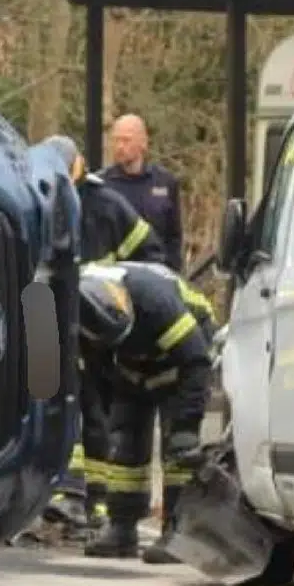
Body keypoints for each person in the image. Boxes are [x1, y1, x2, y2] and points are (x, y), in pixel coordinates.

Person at [39, 136, 170, 536]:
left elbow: (150, 254)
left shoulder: (107, 205)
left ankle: (90, 499)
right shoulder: (41, 200)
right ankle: (65, 492)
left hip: (100, 324)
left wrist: (121, 294)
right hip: (53, 320)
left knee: (95, 409)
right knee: (55, 403)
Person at [76, 261, 216, 562]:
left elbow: (196, 362)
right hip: (130, 362)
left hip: (185, 355)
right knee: (125, 437)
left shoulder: (156, 304)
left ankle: (178, 531)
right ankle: (122, 527)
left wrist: (187, 425)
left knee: (177, 448)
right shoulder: (79, 304)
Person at [102, 115, 185, 272]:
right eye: (116, 140)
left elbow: (174, 236)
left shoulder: (165, 182)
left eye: (126, 140)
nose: (120, 146)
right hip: (116, 278)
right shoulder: (102, 185)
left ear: (143, 143)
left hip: (157, 274)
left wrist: (173, 272)